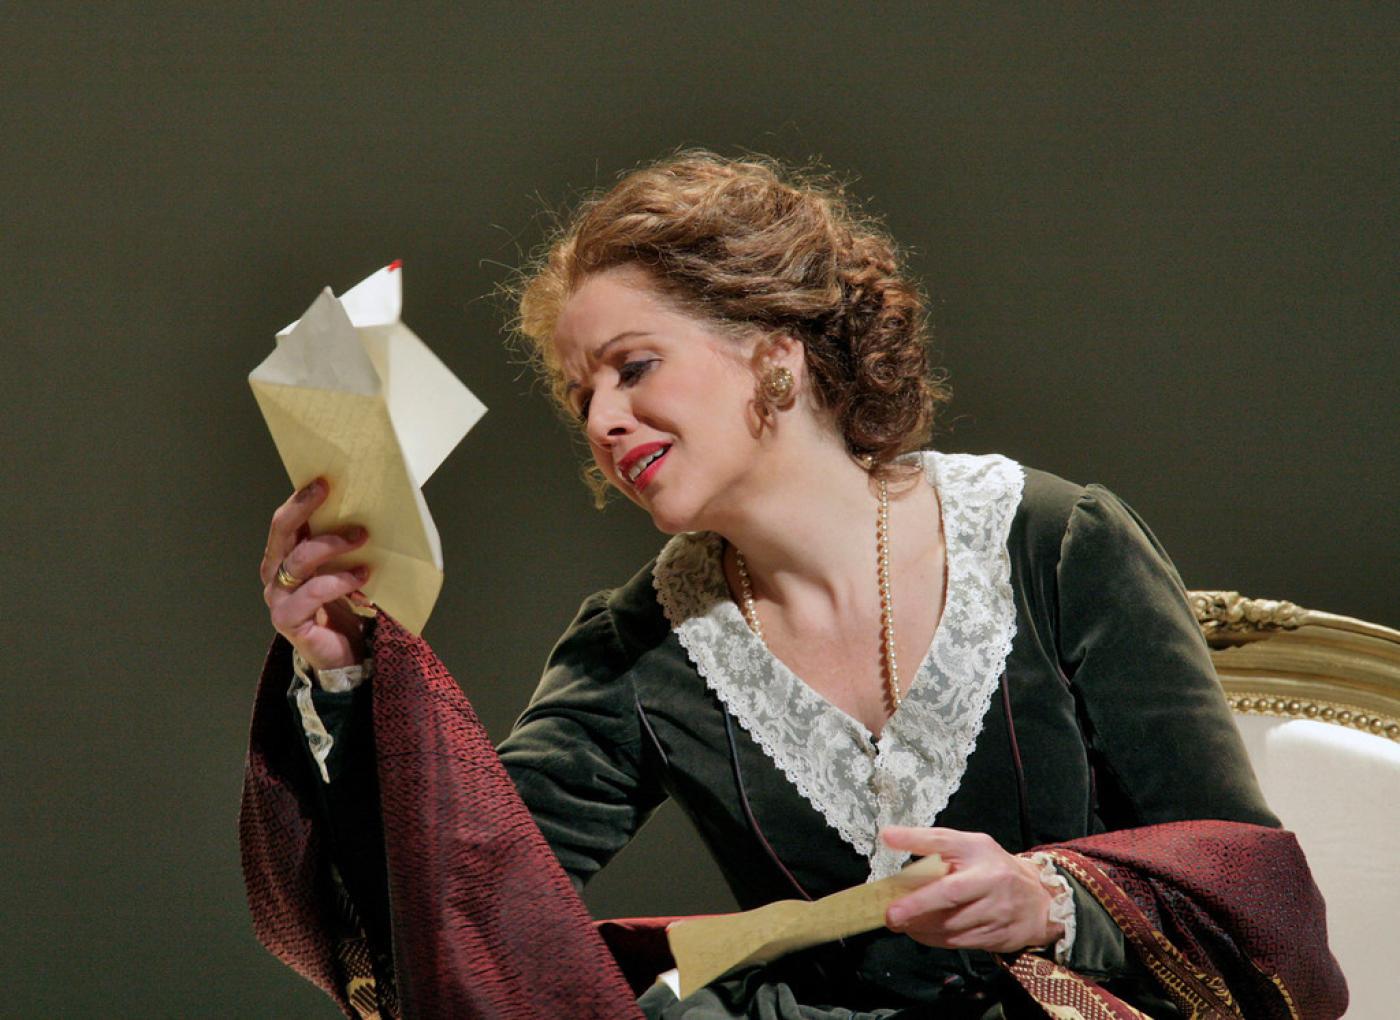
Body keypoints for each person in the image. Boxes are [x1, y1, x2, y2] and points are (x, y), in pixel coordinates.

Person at [245, 152, 1346, 1018]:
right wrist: (345, 678)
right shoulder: (639, 645)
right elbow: (461, 915)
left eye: (633, 366)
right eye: (580, 394)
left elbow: (1247, 899)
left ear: (773, 352)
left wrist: (1048, 901)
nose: (600, 419)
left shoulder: (1054, 543)